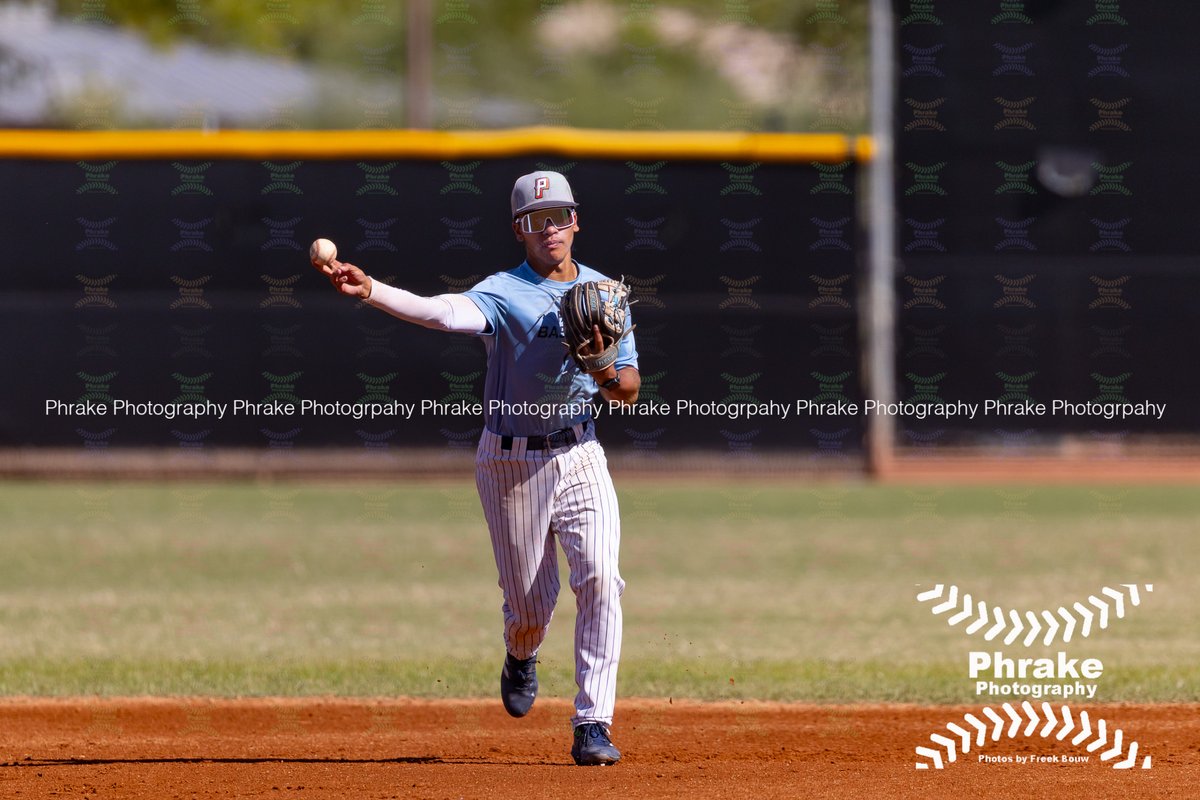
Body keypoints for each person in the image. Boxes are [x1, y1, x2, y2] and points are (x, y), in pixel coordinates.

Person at [311, 171, 640, 766]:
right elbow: (442, 314)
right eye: (538, 220)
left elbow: (629, 392)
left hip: (581, 452)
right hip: (511, 462)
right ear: (520, 230)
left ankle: (593, 723)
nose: (551, 228)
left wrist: (603, 366)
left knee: (599, 578)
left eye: (560, 215)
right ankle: (521, 653)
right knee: (529, 605)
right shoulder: (503, 292)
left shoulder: (605, 294)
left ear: (577, 221)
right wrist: (372, 290)